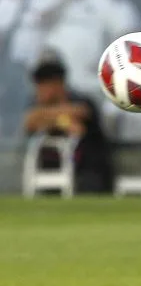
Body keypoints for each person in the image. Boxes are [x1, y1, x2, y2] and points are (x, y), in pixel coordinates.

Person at [23, 59, 114, 194]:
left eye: (42, 86)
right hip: (52, 171)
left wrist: (47, 119)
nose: (38, 91)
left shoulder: (82, 101)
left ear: (57, 85)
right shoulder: (36, 105)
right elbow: (30, 122)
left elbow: (80, 122)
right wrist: (62, 120)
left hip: (88, 173)